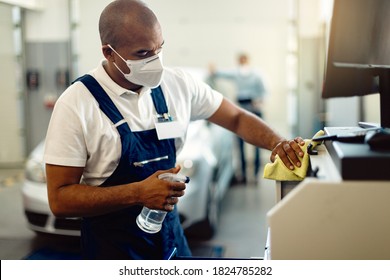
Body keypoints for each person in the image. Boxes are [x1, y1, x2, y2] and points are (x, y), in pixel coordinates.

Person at [44, 0, 305, 260]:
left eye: (159, 49)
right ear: (109, 52)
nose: (155, 62)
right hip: (113, 251)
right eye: (143, 54)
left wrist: (278, 142)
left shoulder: (176, 84)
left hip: (171, 241)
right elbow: (60, 199)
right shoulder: (77, 104)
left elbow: (236, 117)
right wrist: (138, 192)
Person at [209, 54, 266, 183]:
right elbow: (223, 74)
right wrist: (214, 71)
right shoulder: (236, 73)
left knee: (258, 142)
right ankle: (244, 175)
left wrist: (259, 101)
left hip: (254, 109)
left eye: (244, 60)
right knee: (240, 144)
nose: (242, 62)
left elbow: (264, 91)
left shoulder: (256, 75)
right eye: (240, 60)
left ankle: (256, 174)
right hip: (242, 108)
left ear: (248, 60)